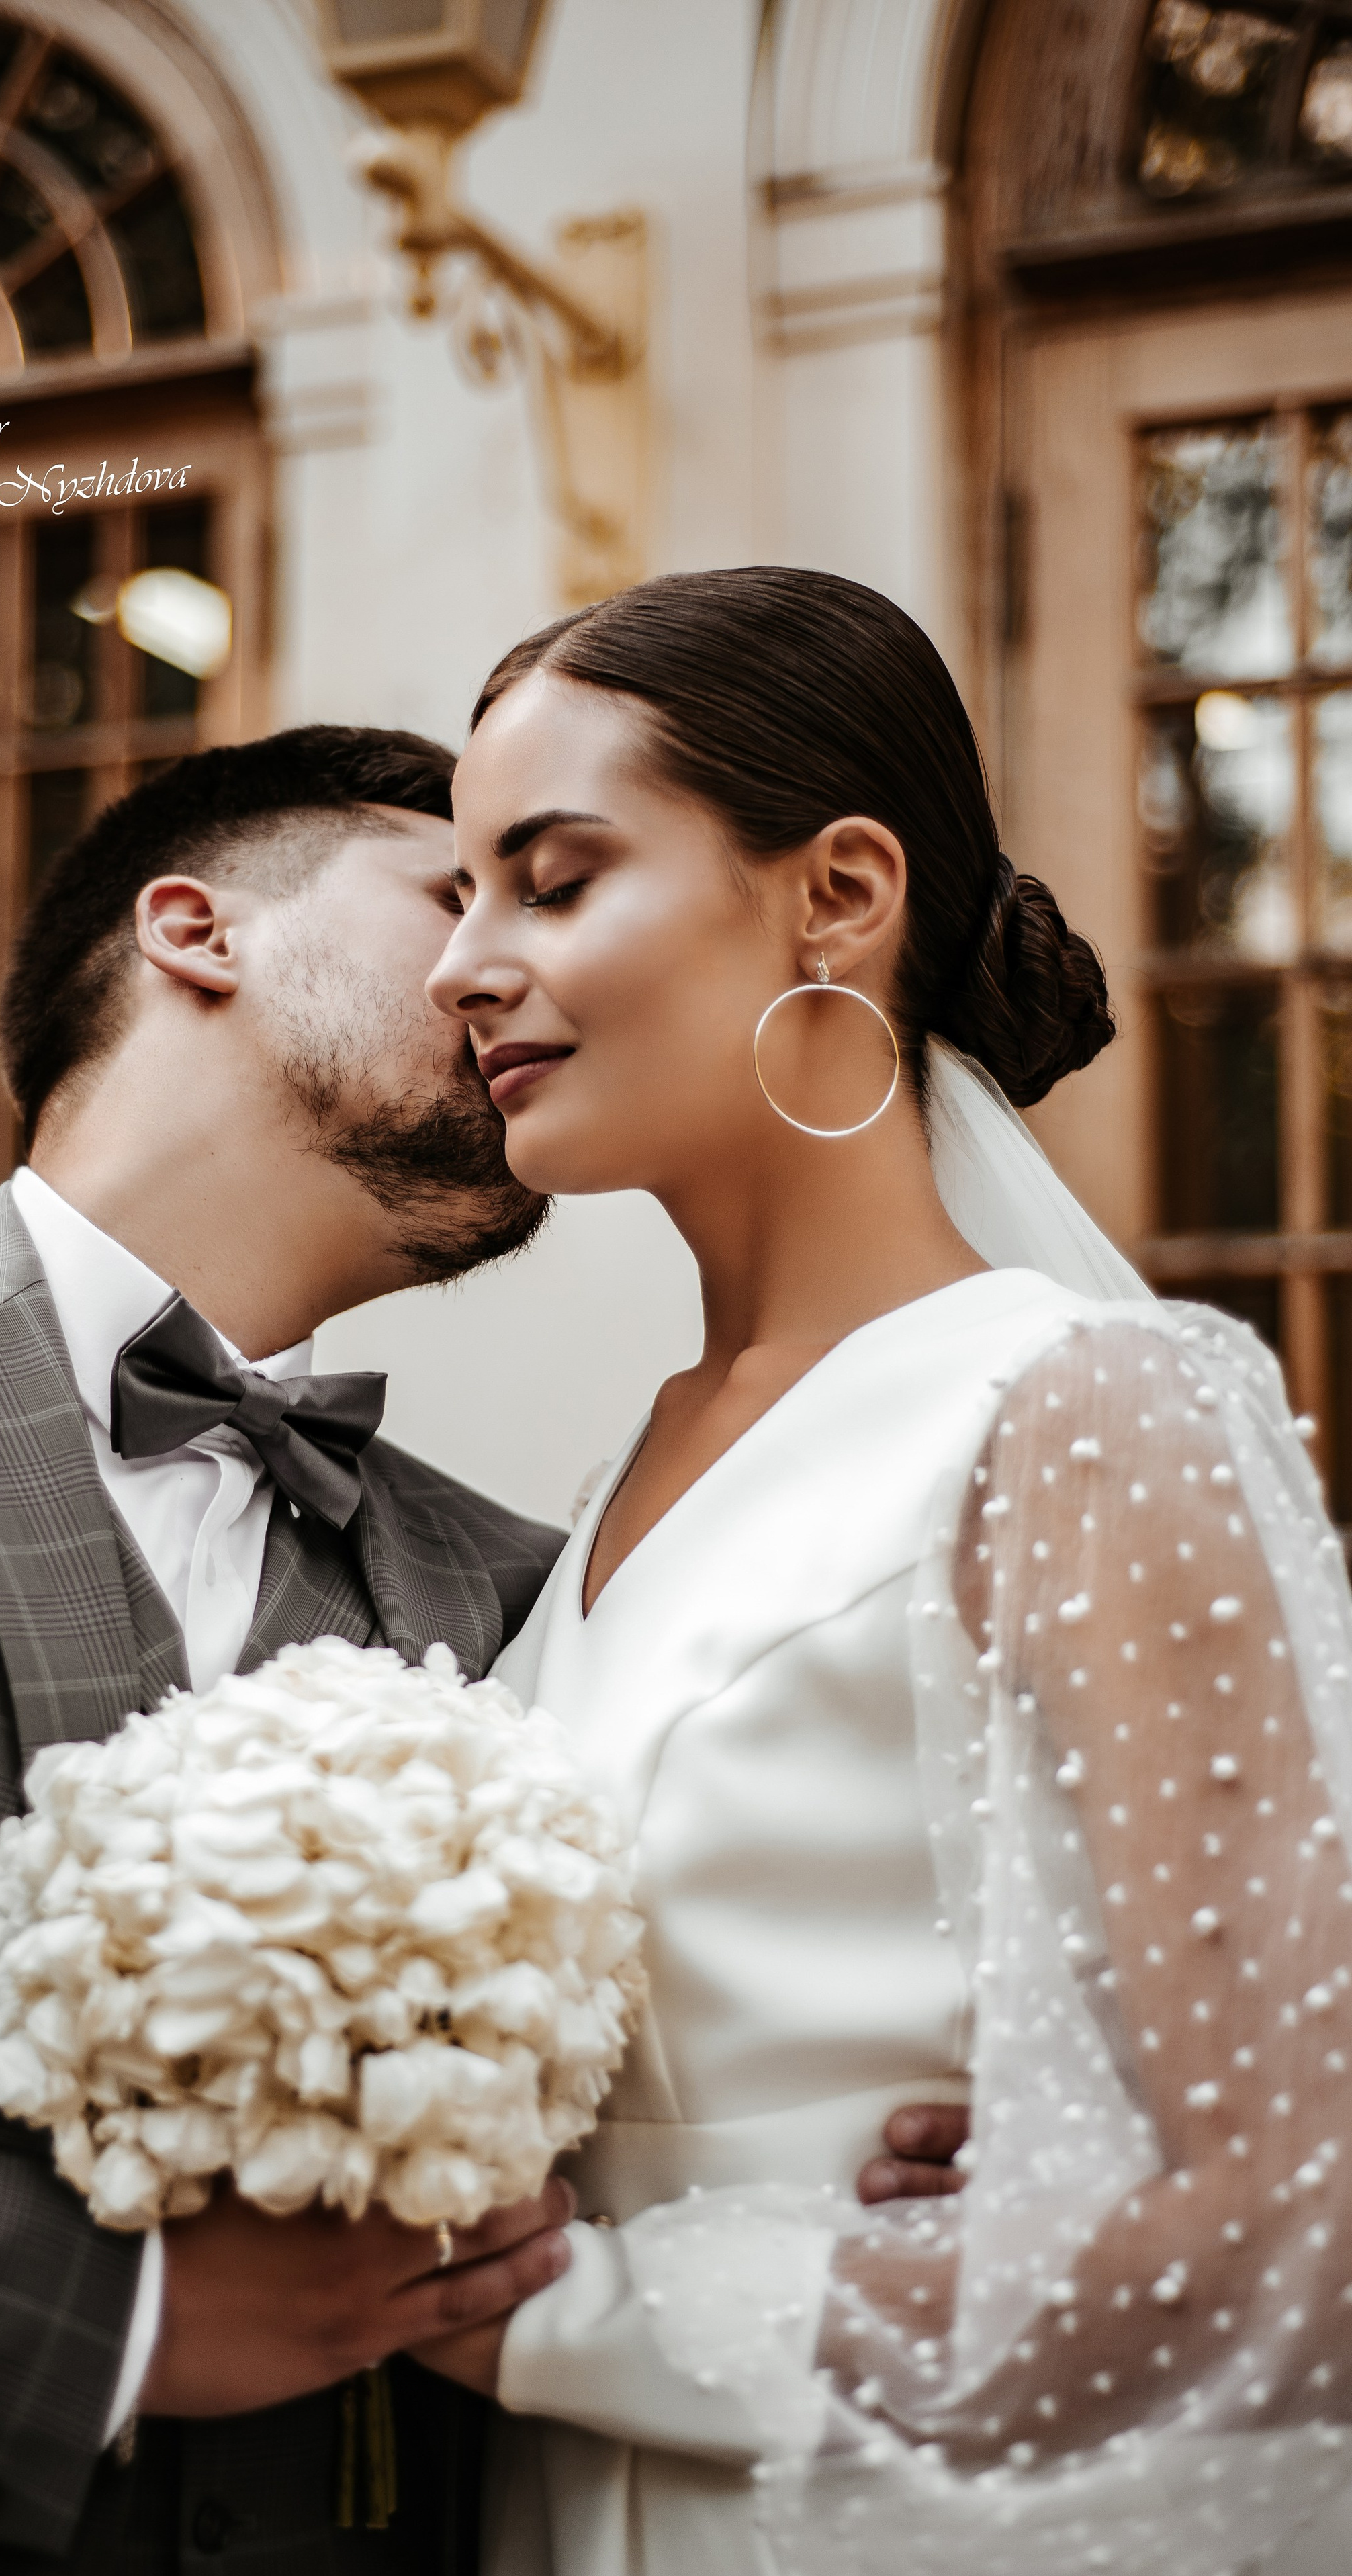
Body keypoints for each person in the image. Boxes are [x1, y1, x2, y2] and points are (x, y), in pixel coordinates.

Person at [408, 570, 1352, 2576]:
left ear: (838, 892)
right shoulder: (620, 1478)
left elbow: (1301, 2211)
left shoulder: (1082, 1406)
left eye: (551, 882)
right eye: (458, 898)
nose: (462, 969)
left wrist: (548, 2317)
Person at [0, 726, 579, 2576]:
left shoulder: (526, 1588)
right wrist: (102, 2323)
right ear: (194, 927)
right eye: (458, 894)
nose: (508, 969)